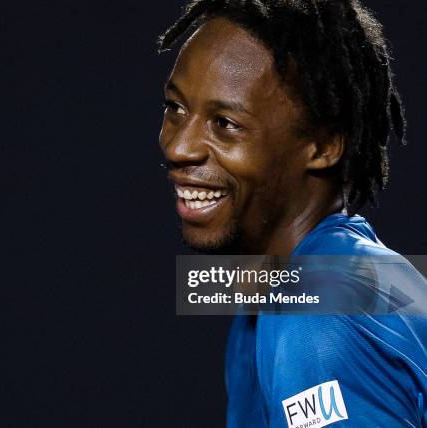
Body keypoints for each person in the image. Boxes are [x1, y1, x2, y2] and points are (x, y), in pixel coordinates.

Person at [157, 1, 426, 426]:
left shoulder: (319, 313)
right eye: (175, 108)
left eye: (225, 123)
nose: (178, 148)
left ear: (321, 146)